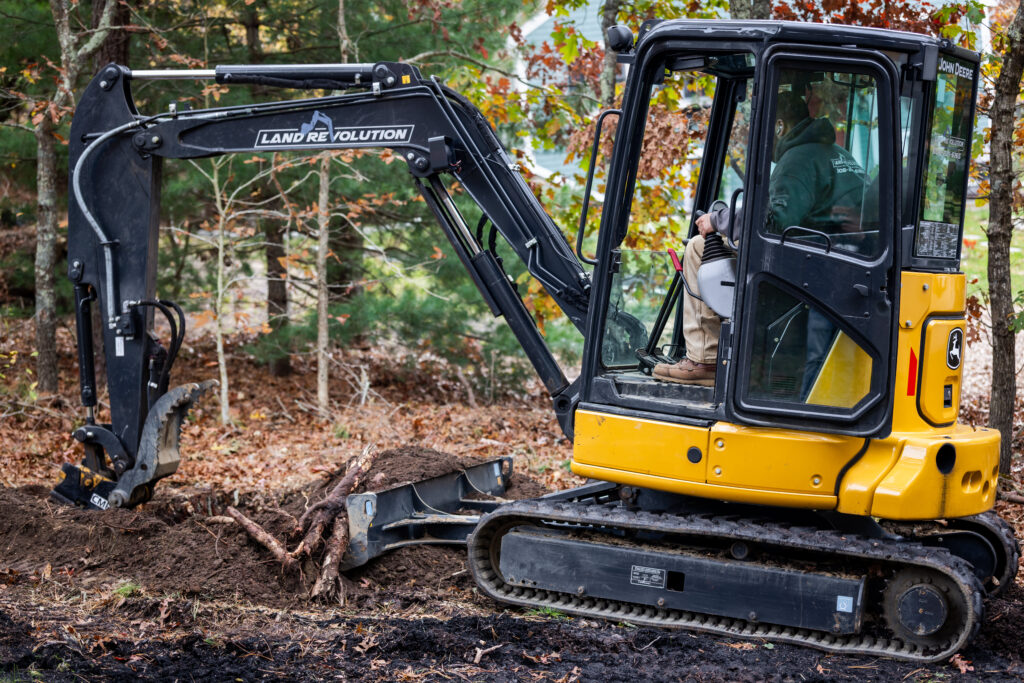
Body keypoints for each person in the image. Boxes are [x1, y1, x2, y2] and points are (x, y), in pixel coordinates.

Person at [653, 87, 869, 386]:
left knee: (699, 247)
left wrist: (718, 220)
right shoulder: (836, 154)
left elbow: (776, 221)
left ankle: (706, 360)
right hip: (835, 261)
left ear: (778, 125)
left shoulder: (797, 161)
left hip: (807, 266)